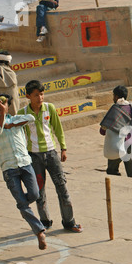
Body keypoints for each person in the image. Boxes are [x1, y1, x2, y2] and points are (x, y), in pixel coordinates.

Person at [18, 80, 83, 233]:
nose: (40, 98)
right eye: (36, 95)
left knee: (62, 187)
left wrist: (63, 148)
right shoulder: (22, 114)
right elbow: (18, 134)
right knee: (39, 191)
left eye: (41, 94)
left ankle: (69, 221)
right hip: (33, 156)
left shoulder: (50, 108)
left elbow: (58, 129)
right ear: (28, 96)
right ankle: (45, 221)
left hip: (51, 153)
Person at [0, 93, 47, 250]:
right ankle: (39, 231)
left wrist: (12, 124)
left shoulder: (16, 120)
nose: (1, 105)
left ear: (8, 106)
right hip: (9, 168)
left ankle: (23, 206)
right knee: (22, 202)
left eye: (4, 103)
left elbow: (32, 119)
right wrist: (2, 115)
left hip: (25, 163)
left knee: (34, 194)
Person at [100, 85, 132, 178]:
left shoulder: (114, 109)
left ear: (116, 96)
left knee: (112, 171)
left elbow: (102, 130)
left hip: (116, 145)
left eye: (113, 95)